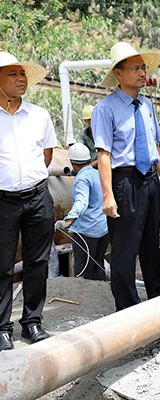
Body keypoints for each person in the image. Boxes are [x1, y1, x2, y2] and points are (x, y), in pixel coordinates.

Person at [92, 42, 160, 311]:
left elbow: (154, 146)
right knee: (125, 247)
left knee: (151, 243)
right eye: (135, 68)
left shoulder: (147, 105)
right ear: (118, 72)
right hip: (124, 181)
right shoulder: (105, 109)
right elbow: (104, 155)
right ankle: (127, 309)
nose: (142, 73)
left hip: (150, 180)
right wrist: (108, 196)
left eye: (143, 68)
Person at [0, 52, 57, 349]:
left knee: (37, 262)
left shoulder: (38, 115)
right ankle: (1, 328)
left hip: (37, 197)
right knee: (2, 265)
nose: (21, 79)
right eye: (13, 74)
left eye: (22, 74)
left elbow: (46, 156)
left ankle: (32, 322)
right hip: (3, 202)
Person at [55, 143, 109, 281]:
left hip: (87, 232)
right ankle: (102, 296)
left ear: (72, 163)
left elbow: (81, 203)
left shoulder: (81, 179)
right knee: (98, 266)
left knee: (83, 271)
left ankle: (86, 299)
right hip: (103, 229)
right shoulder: (98, 174)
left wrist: (66, 221)